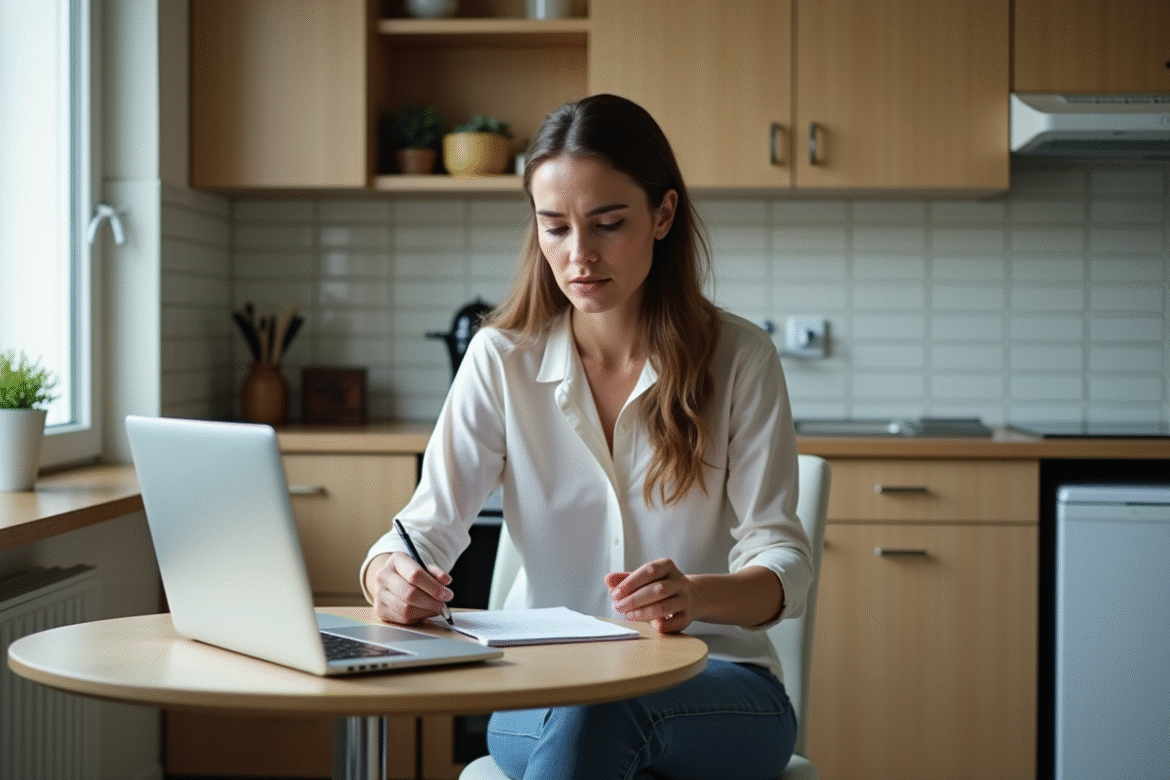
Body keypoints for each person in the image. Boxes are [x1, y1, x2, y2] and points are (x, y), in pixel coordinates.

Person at [361, 93, 812, 780]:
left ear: (663, 214)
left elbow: (785, 566)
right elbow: (419, 532)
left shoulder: (740, 359)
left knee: (607, 708)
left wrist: (697, 595)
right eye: (555, 228)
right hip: (544, 693)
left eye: (607, 224)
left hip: (719, 688)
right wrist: (387, 577)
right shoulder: (501, 359)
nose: (579, 256)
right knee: (590, 711)